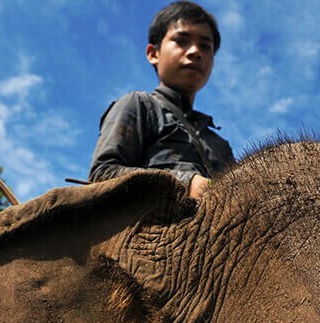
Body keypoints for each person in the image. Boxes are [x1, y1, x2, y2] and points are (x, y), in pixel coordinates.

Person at [88, 2, 233, 198]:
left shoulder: (220, 144)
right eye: (181, 41)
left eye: (205, 46)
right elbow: (102, 175)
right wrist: (186, 184)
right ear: (153, 54)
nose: (195, 51)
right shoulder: (139, 105)